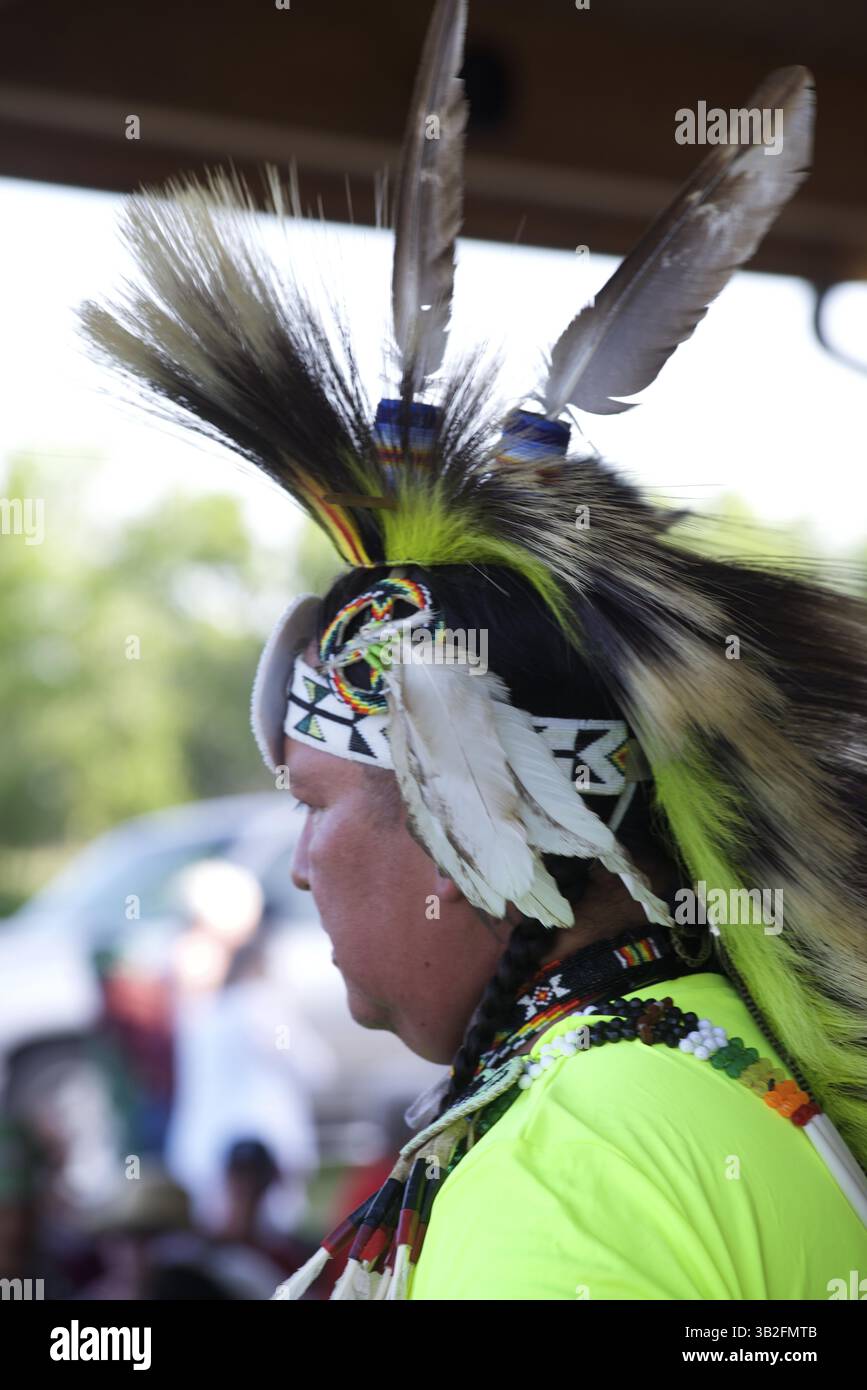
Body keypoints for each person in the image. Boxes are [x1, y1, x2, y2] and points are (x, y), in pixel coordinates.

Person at [78, 0, 867, 1300]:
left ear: (471, 811)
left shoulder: (578, 1159)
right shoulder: (704, 1072)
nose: (297, 860)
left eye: (317, 798)